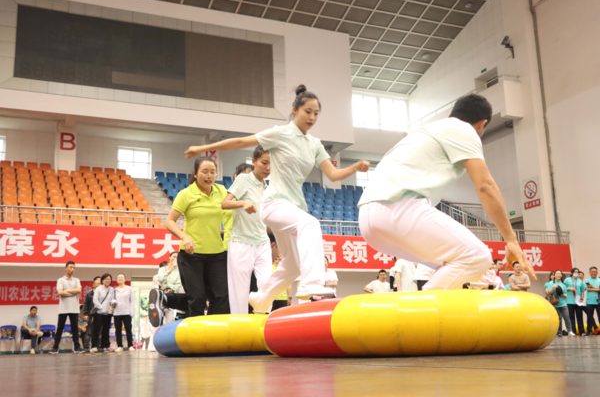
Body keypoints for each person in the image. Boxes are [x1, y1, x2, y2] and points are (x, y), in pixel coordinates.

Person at [185, 85, 370, 313]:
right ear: (295, 110)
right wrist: (204, 147)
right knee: (310, 223)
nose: (312, 117)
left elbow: (332, 174)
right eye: (307, 111)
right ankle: (311, 283)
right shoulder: (280, 133)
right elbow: (241, 142)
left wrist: (354, 167)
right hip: (273, 205)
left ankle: (262, 298)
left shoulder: (314, 144)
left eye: (316, 113)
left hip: (292, 208)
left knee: (291, 265)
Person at [357, 94, 535, 291]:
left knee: (450, 264)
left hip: (367, 219)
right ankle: (420, 317)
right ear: (481, 125)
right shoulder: (464, 129)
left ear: (451, 114)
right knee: (478, 256)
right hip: (399, 207)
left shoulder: (426, 130)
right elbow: (485, 186)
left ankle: (431, 314)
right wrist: (511, 240)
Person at [150, 157, 230, 327]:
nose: (209, 176)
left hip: (217, 254)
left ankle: (215, 332)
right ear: (195, 173)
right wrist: (184, 237)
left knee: (222, 296)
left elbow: (233, 206)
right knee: (198, 298)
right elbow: (169, 221)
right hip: (192, 256)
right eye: (205, 172)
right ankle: (197, 335)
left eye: (213, 172)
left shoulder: (222, 191)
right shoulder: (186, 194)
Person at [222, 147, 273, 314]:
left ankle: (263, 323)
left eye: (271, 164)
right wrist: (242, 203)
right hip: (241, 242)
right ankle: (239, 329)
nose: (268, 168)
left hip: (263, 242)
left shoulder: (269, 187)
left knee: (267, 285)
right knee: (240, 293)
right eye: (264, 163)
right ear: (254, 161)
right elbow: (225, 203)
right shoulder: (244, 179)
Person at [50, 261, 83, 354]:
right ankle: (55, 348)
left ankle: (77, 347)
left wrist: (66, 291)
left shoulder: (76, 280)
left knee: (75, 329)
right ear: (65, 268)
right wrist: (73, 291)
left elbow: (79, 290)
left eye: (73, 268)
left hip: (74, 308)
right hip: (63, 308)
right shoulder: (61, 280)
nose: (72, 269)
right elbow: (60, 292)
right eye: (70, 267)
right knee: (60, 328)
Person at [546, 270, 576, 337]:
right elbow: (549, 292)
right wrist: (553, 287)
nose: (558, 275)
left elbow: (566, 294)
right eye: (557, 273)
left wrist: (563, 295)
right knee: (558, 318)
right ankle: (559, 332)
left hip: (563, 303)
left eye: (560, 273)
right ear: (555, 275)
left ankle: (570, 331)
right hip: (555, 303)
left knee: (567, 317)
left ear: (561, 275)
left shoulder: (563, 284)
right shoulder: (550, 283)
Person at [157, 252, 184, 323]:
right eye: (174, 256)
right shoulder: (163, 269)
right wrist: (169, 271)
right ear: (169, 257)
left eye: (177, 257)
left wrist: (166, 286)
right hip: (161, 296)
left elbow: (177, 286)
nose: (175, 258)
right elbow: (160, 279)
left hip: (171, 296)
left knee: (169, 320)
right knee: (158, 320)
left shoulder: (179, 271)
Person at [92, 273, 115, 353]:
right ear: (102, 280)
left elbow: (112, 299)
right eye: (106, 279)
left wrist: (113, 303)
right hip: (99, 313)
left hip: (107, 313)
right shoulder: (98, 289)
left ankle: (106, 346)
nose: (107, 280)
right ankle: (94, 346)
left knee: (106, 330)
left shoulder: (112, 289)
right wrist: (101, 307)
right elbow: (95, 300)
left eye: (109, 279)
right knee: (96, 330)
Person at [113, 274, 135, 352]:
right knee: (118, 330)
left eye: (122, 277)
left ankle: (130, 345)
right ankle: (119, 346)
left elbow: (132, 301)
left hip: (127, 312)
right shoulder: (114, 290)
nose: (120, 279)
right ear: (116, 280)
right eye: (118, 277)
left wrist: (132, 312)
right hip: (117, 312)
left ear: (125, 279)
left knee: (128, 329)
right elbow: (112, 301)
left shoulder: (129, 289)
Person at [565, 268, 587, 336]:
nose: (576, 273)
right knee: (571, 317)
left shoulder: (580, 281)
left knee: (579, 316)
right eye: (575, 272)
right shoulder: (567, 280)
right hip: (569, 301)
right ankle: (573, 331)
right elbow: (563, 288)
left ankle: (582, 331)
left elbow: (582, 290)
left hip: (578, 301)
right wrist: (570, 288)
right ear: (571, 273)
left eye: (577, 272)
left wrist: (582, 298)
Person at [82, 276, 101, 352]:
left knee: (99, 332)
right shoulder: (89, 293)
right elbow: (85, 304)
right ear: (94, 284)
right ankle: (86, 347)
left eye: (101, 283)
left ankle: (98, 346)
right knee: (89, 332)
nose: (100, 285)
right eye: (98, 283)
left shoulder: (103, 294)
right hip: (91, 315)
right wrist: (85, 314)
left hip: (100, 315)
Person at [585, 267, 600, 336]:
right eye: (592, 271)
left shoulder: (599, 280)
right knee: (589, 317)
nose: (593, 273)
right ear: (589, 272)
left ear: (597, 272)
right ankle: (589, 331)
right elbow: (587, 289)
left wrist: (592, 287)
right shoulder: (587, 280)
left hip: (598, 302)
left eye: (595, 271)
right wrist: (596, 288)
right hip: (590, 302)